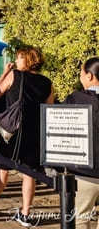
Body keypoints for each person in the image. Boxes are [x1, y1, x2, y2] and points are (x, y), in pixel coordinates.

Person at [0, 47, 54, 227]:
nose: (16, 60)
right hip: (34, 133)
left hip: (13, 132)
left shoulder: (15, 75)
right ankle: (25, 213)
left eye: (19, 57)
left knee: (2, 169)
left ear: (27, 60)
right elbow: (48, 108)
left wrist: (5, 72)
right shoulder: (47, 82)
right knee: (29, 173)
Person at [64, 57, 99, 228]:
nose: (80, 76)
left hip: (85, 171)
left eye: (82, 73)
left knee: (80, 218)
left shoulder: (76, 98)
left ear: (90, 76)